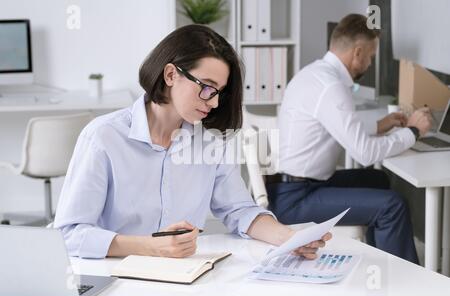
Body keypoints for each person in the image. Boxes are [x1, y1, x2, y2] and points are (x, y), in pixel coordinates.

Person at [54, 24, 331, 260]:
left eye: (219, 92)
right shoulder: (104, 137)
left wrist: (291, 238)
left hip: (183, 278)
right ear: (171, 74)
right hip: (115, 278)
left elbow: (240, 211)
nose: (213, 102)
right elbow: (69, 235)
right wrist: (151, 247)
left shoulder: (210, 143)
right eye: (207, 87)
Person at [267, 14, 432, 264]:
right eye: (371, 57)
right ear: (358, 53)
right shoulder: (331, 87)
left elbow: (333, 125)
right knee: (392, 206)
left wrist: (380, 125)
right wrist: (413, 132)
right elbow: (363, 153)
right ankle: (404, 286)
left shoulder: (315, 74)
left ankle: (381, 264)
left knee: (377, 179)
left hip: (292, 186)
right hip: (295, 199)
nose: (369, 63)